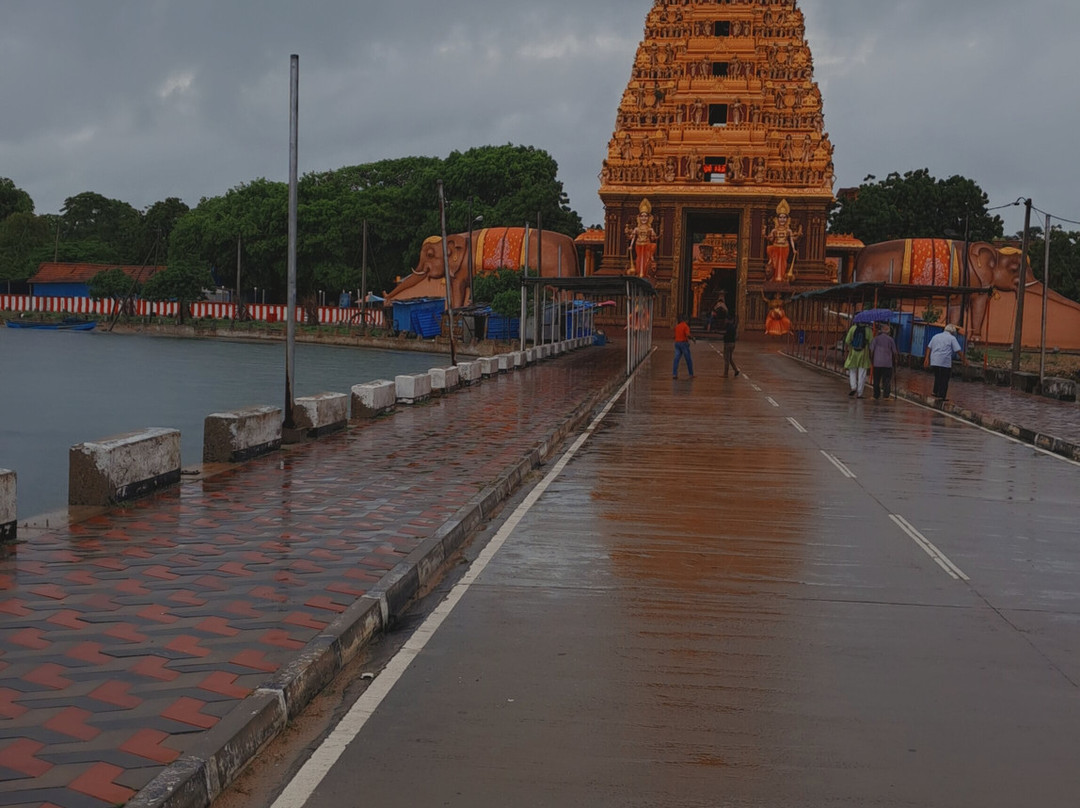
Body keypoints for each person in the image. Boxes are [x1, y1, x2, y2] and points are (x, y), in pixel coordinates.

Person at [925, 324, 964, 400]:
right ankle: (942, 395)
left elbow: (929, 347)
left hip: (934, 360)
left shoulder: (936, 336)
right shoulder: (952, 338)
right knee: (944, 379)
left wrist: (927, 359)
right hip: (944, 361)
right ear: (952, 332)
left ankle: (935, 391)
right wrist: (964, 359)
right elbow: (958, 350)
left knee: (937, 376)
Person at [869, 323, 900, 400]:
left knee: (876, 379)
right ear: (888, 332)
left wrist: (871, 359)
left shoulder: (876, 339)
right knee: (886, 380)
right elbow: (894, 352)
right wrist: (896, 360)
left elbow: (871, 350)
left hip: (877, 363)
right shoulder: (891, 340)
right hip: (887, 363)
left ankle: (876, 395)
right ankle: (886, 395)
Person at [844, 320, 873, 398]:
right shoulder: (868, 330)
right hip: (864, 354)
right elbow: (871, 343)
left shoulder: (853, 328)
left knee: (852, 371)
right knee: (862, 374)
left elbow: (847, 340)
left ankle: (853, 387)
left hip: (853, 353)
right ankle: (860, 393)